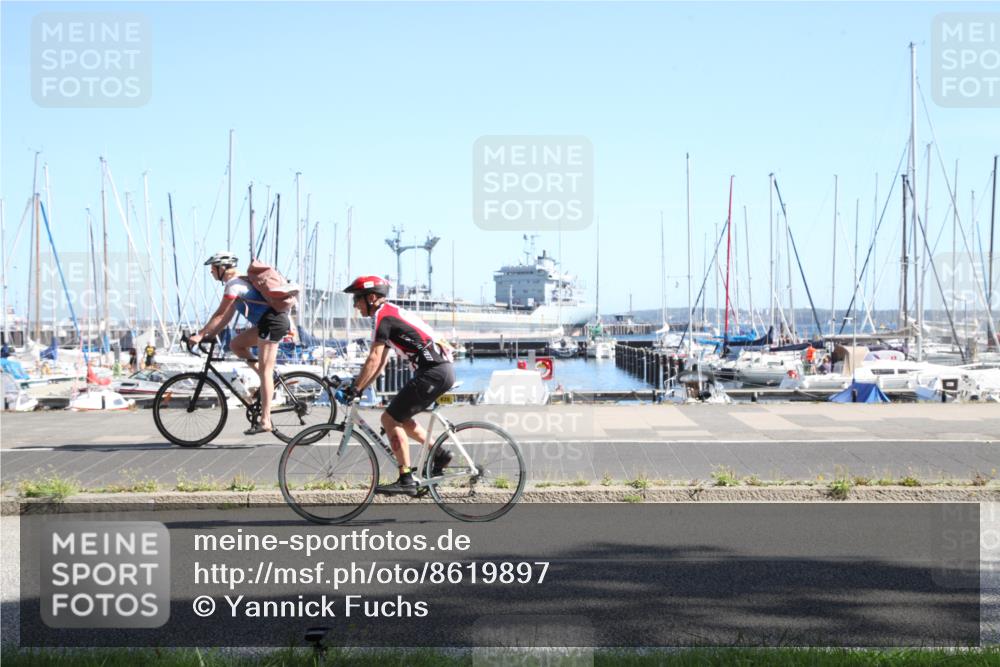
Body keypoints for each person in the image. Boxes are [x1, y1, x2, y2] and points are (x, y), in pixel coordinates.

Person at [338, 275, 455, 495]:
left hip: (434, 372)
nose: (355, 305)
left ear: (371, 297)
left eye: (357, 299)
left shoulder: (383, 317)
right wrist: (360, 387)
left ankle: (406, 478)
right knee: (400, 418)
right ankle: (438, 453)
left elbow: (373, 357)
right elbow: (380, 363)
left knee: (389, 419)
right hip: (437, 371)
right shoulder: (389, 314)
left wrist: (355, 388)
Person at [188, 251, 292, 435]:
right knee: (236, 345)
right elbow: (226, 318)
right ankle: (267, 379)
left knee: (266, 372)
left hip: (273, 323)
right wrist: (210, 335)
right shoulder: (236, 285)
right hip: (266, 323)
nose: (211, 272)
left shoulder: (233, 285)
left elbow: (219, 314)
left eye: (212, 268)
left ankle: (266, 420)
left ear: (222, 268)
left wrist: (200, 335)